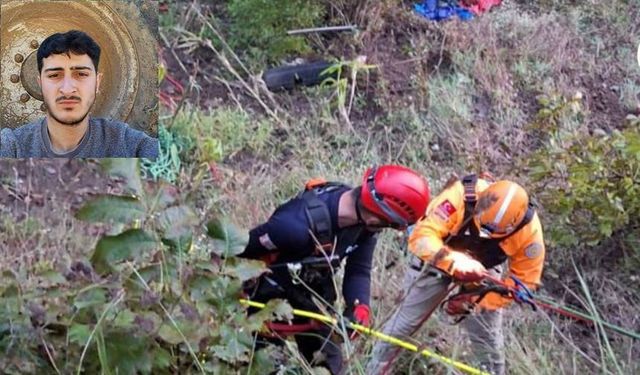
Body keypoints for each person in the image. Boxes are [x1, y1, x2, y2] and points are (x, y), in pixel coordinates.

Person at [238, 165, 431, 374]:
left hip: (308, 295)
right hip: (258, 302)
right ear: (377, 218)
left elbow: (359, 269)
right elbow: (238, 252)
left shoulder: (363, 226)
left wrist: (360, 307)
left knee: (331, 369)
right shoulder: (293, 227)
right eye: (392, 226)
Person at [367, 173, 545, 375]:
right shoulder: (459, 196)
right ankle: (372, 370)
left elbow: (523, 283)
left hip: (484, 273)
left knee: (487, 339)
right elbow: (422, 236)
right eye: (483, 225)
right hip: (436, 257)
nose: (485, 233)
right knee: (402, 326)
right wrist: (453, 262)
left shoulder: (529, 232)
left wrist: (477, 300)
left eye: (493, 232)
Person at [0, 30, 158, 158]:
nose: (68, 89)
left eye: (81, 74)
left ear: (97, 83)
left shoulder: (130, 145)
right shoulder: (12, 147)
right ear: (40, 84)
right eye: (54, 75)